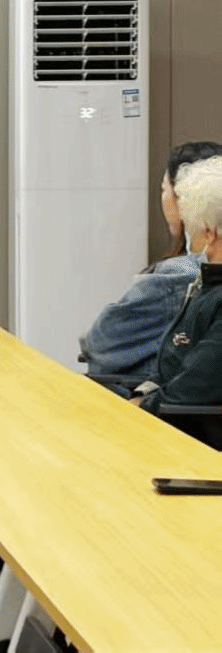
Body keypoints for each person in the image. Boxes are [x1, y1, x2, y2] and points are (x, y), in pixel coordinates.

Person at [80, 141, 222, 385]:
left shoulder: (181, 275)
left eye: (165, 189)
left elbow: (100, 345)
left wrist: (144, 397)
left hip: (160, 399)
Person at [130, 156, 222, 449]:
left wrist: (141, 405)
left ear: (209, 232)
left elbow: (196, 384)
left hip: (191, 442)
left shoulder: (215, 294)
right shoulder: (205, 285)